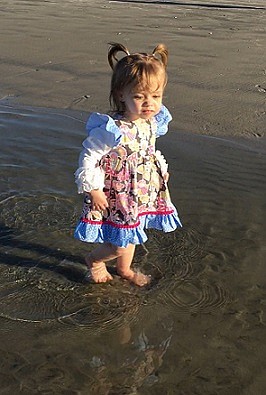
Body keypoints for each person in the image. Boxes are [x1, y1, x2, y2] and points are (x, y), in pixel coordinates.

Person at [74, 42, 182, 286]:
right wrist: (93, 189)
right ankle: (95, 260)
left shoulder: (152, 123)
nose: (149, 104)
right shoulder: (112, 129)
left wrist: (160, 173)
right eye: (139, 96)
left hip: (141, 192)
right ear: (121, 94)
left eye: (155, 96)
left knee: (131, 234)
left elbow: (149, 151)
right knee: (119, 241)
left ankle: (124, 270)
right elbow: (89, 156)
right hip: (116, 194)